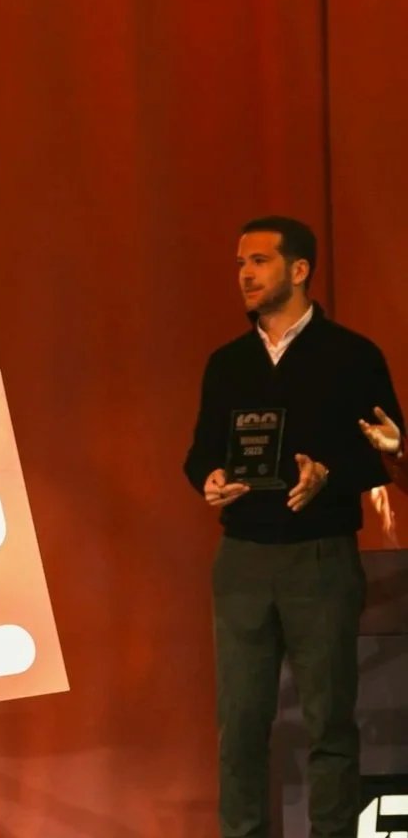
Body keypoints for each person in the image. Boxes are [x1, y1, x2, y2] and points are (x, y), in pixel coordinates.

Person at [183, 216, 403, 838]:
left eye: (258, 261)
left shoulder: (353, 355)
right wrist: (211, 478)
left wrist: (329, 473)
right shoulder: (227, 362)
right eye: (239, 264)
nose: (245, 274)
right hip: (243, 557)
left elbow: (385, 446)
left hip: (320, 556)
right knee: (241, 726)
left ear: (299, 270)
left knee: (330, 722)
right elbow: (200, 451)